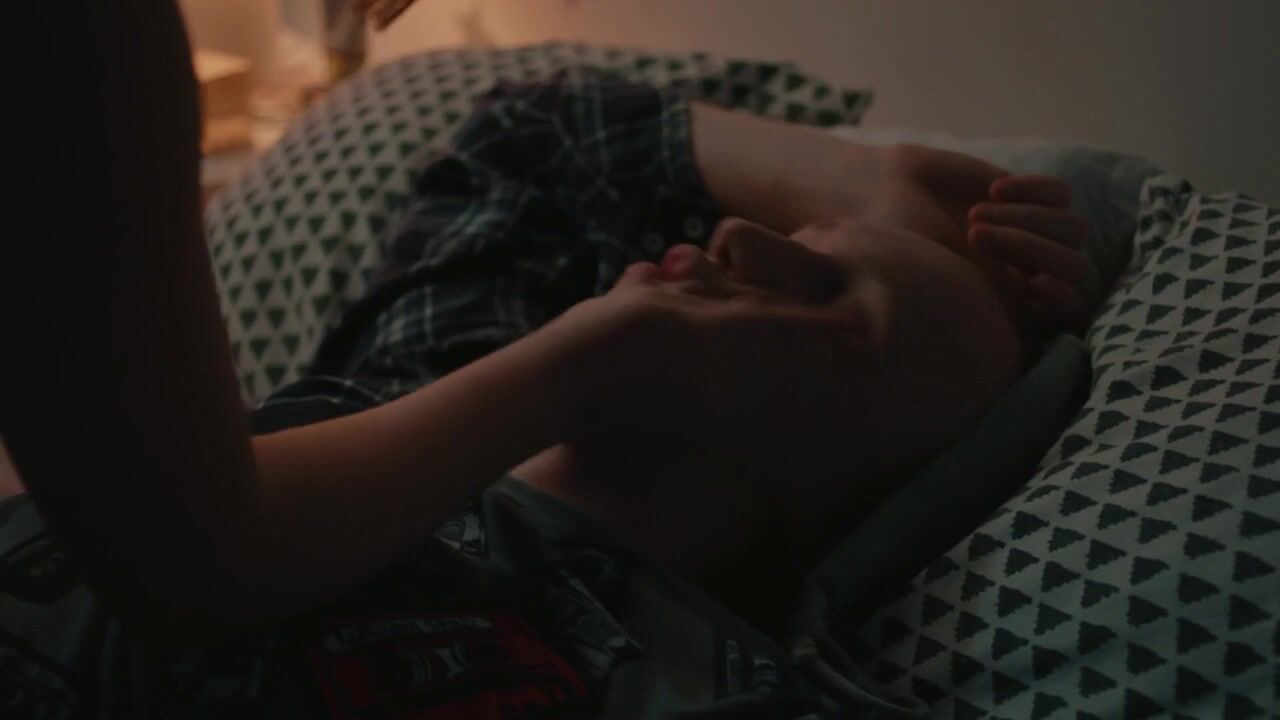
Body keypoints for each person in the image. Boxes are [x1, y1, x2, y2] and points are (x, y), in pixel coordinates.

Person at [3, 1, 1089, 716]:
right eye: (799, 240)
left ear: (850, 516)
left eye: (831, 302)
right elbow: (533, 137)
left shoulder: (703, 678)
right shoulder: (432, 382)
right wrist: (861, 182)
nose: (737, 237)